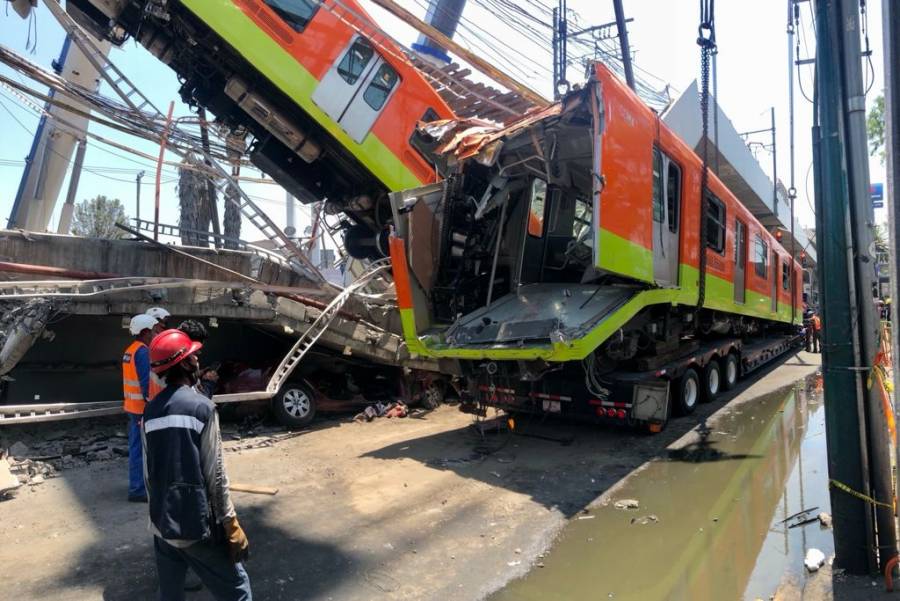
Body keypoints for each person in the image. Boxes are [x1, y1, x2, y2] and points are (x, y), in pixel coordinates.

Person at [144, 329, 252, 600]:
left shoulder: (151, 410)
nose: (198, 361)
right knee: (238, 589)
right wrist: (230, 523)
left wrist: (157, 513)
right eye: (194, 357)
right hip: (194, 523)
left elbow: (149, 473)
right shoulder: (202, 408)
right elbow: (215, 474)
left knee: (170, 593)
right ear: (184, 363)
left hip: (161, 524)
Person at [122, 314, 159, 502]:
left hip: (132, 406)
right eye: (152, 331)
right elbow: (146, 383)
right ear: (144, 332)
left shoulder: (130, 350)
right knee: (140, 449)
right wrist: (154, 404)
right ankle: (137, 489)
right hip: (141, 409)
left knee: (136, 447)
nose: (154, 334)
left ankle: (139, 485)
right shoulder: (143, 352)